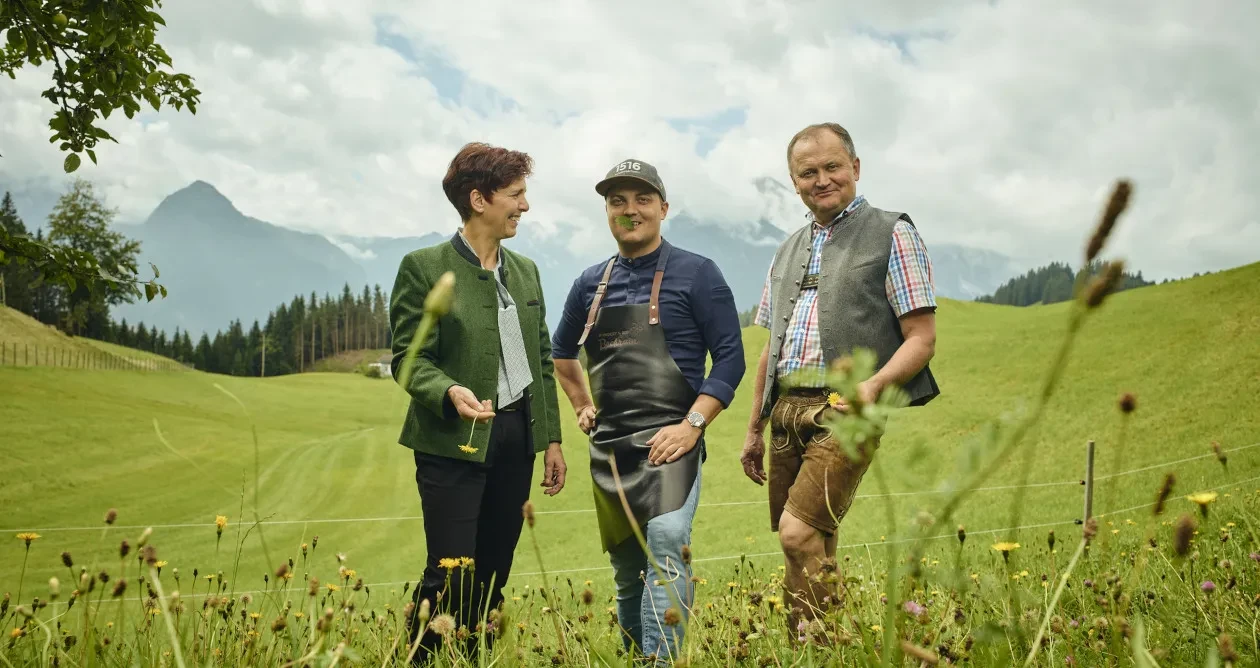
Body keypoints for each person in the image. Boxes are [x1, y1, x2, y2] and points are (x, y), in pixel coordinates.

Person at [740, 122, 940, 633]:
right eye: (808, 172)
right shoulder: (786, 249)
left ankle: (818, 647)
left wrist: (871, 388)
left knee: (794, 534)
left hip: (846, 410)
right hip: (786, 411)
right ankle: (821, 645)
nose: (821, 179)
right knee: (813, 542)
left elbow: (921, 336)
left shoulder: (892, 231)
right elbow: (772, 345)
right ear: (794, 180)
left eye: (833, 167)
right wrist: (753, 428)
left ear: (855, 167)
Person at [550, 158, 745, 663]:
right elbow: (562, 353)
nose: (629, 210)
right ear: (607, 211)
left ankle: (661, 662)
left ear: (663, 207)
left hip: (672, 439)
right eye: (617, 201)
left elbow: (730, 356)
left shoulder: (699, 273)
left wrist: (692, 425)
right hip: (612, 443)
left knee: (666, 539)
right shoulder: (589, 284)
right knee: (626, 567)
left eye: (641, 200)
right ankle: (637, 657)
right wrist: (580, 404)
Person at [388, 141, 567, 662]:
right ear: (479, 199)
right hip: (451, 440)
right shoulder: (424, 267)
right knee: (450, 570)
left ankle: (473, 658)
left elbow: (541, 357)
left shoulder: (527, 271)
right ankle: (421, 658)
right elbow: (407, 358)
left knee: (492, 572)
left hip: (516, 440)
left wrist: (551, 439)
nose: (525, 206)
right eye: (515, 195)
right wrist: (448, 390)